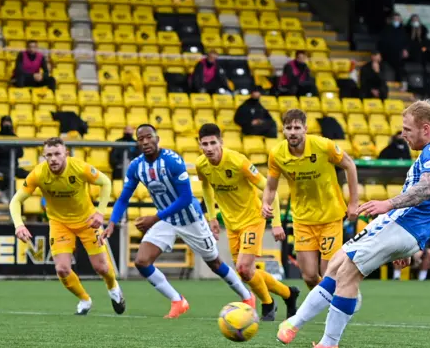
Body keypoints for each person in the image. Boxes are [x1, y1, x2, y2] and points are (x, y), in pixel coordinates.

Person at [279, 100, 430, 348]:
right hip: (404, 228)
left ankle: (327, 346)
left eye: (407, 129)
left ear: (425, 128)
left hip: (403, 225)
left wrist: (388, 205)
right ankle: (294, 324)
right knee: (337, 262)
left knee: (347, 273)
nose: (403, 135)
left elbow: (427, 189)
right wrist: (408, 244)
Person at [102, 124, 254, 319]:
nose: (146, 142)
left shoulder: (172, 161)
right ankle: (177, 301)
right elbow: (123, 198)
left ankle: (247, 296)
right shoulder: (136, 166)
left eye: (149, 137)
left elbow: (184, 198)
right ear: (137, 143)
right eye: (141, 139)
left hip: (190, 218)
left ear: (157, 138)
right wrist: (112, 222)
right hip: (166, 220)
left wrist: (154, 218)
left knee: (214, 263)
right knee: (141, 261)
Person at [9, 137, 125, 315]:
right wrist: (19, 225)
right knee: (62, 269)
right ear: (44, 156)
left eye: (57, 154)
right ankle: (85, 300)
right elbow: (16, 200)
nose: (53, 158)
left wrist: (100, 212)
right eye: (49, 155)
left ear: (66, 154)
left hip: (87, 221)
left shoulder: (79, 167)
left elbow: (106, 182)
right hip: (59, 223)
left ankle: (113, 287)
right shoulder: (39, 174)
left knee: (101, 268)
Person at [196, 123, 300, 320]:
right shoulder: (202, 164)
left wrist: (276, 222)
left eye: (212, 143)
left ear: (221, 143)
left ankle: (268, 304)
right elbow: (206, 188)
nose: (209, 148)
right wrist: (212, 217)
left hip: (253, 219)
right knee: (246, 273)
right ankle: (288, 294)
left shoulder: (238, 162)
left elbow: (270, 190)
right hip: (231, 223)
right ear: (199, 145)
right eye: (204, 144)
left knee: (243, 268)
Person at [262, 109, 359, 291]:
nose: (293, 132)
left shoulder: (323, 146)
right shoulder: (277, 154)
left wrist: (353, 202)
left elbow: (350, 165)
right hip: (303, 220)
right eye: (288, 128)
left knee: (328, 272)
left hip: (330, 217)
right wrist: (266, 204)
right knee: (309, 276)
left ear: (305, 129)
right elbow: (270, 187)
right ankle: (332, 297)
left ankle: (340, 304)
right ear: (283, 130)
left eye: (297, 127)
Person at [0, 116, 29, 202]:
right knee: (10, 175)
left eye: (9, 122)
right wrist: (11, 149)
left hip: (14, 167)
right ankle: (4, 194)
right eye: (5, 122)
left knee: (29, 175)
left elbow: (20, 153)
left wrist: (8, 149)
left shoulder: (14, 137)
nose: (7, 124)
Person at [377, 12, 410, 82]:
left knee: (400, 70)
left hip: (399, 55)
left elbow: (406, 42)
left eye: (398, 19)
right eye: (395, 19)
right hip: (388, 54)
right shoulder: (386, 30)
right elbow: (381, 42)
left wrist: (405, 49)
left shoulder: (403, 31)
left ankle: (400, 85)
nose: (397, 21)